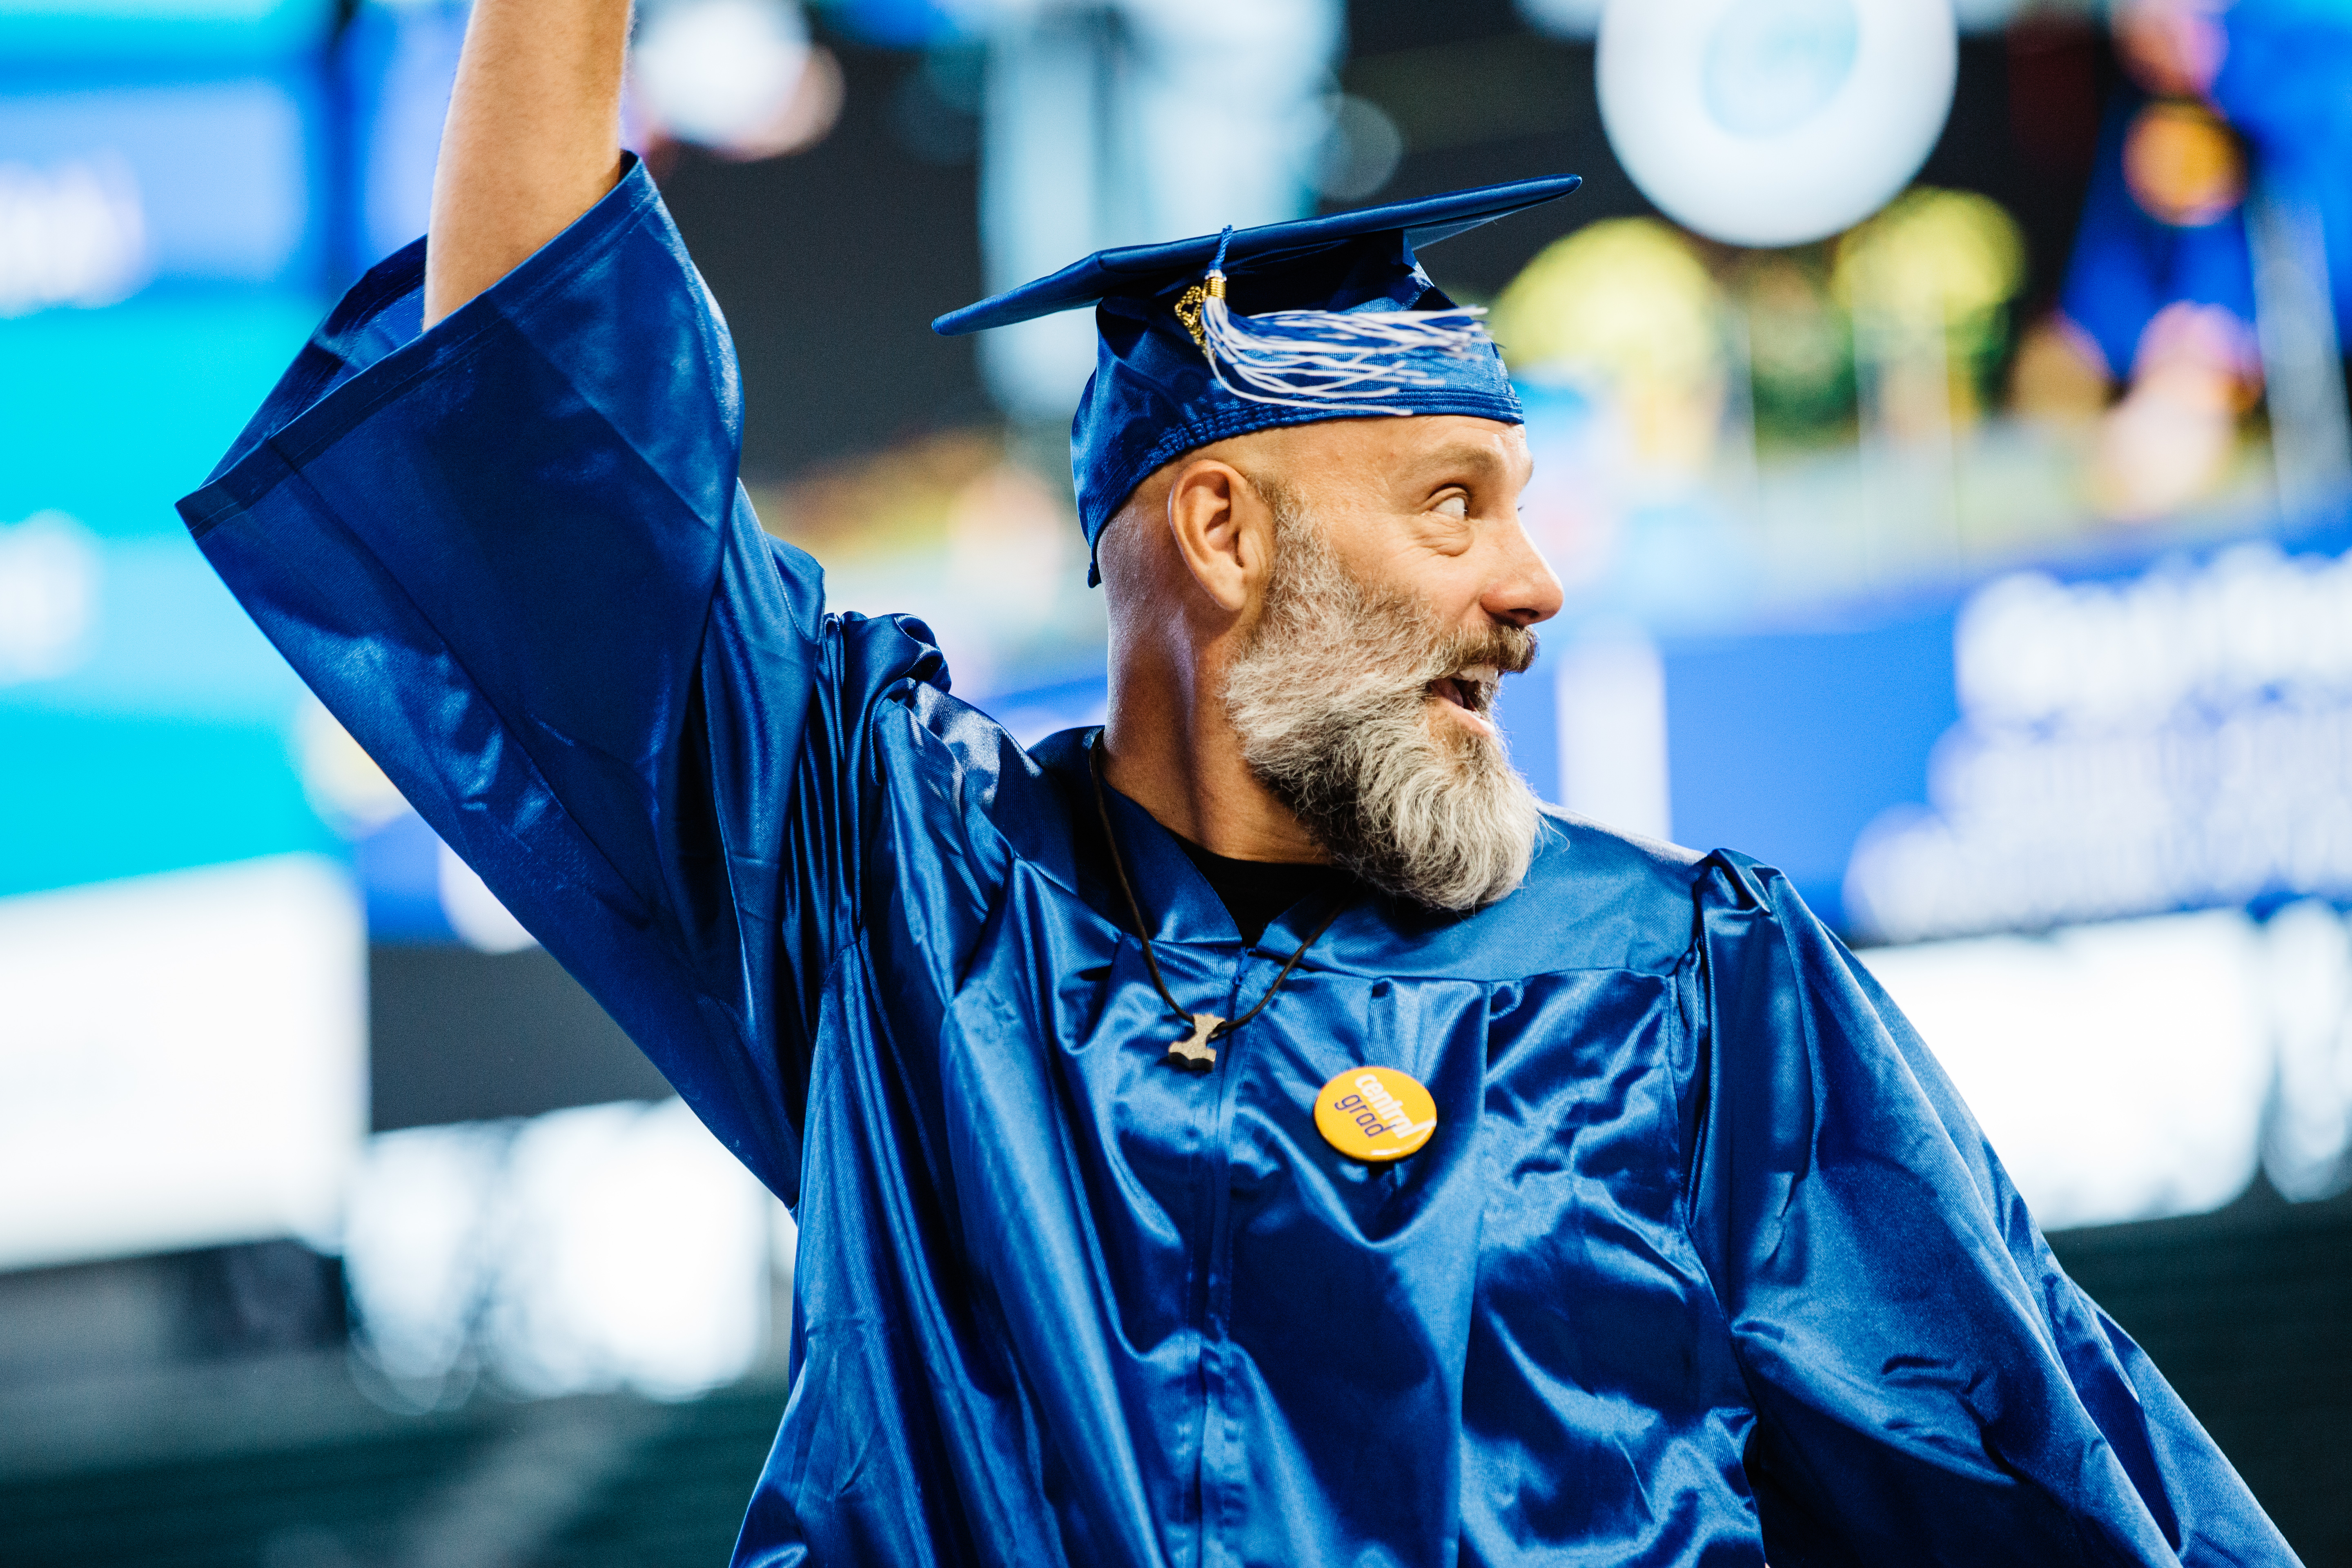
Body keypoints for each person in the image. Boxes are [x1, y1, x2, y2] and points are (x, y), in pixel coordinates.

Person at [179, 0, 2300, 1561]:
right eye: (1458, 506)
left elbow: (2059, 1476)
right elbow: (546, 425)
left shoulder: (1683, 987)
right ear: (1222, 536)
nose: (1537, 586)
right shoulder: (902, 906)